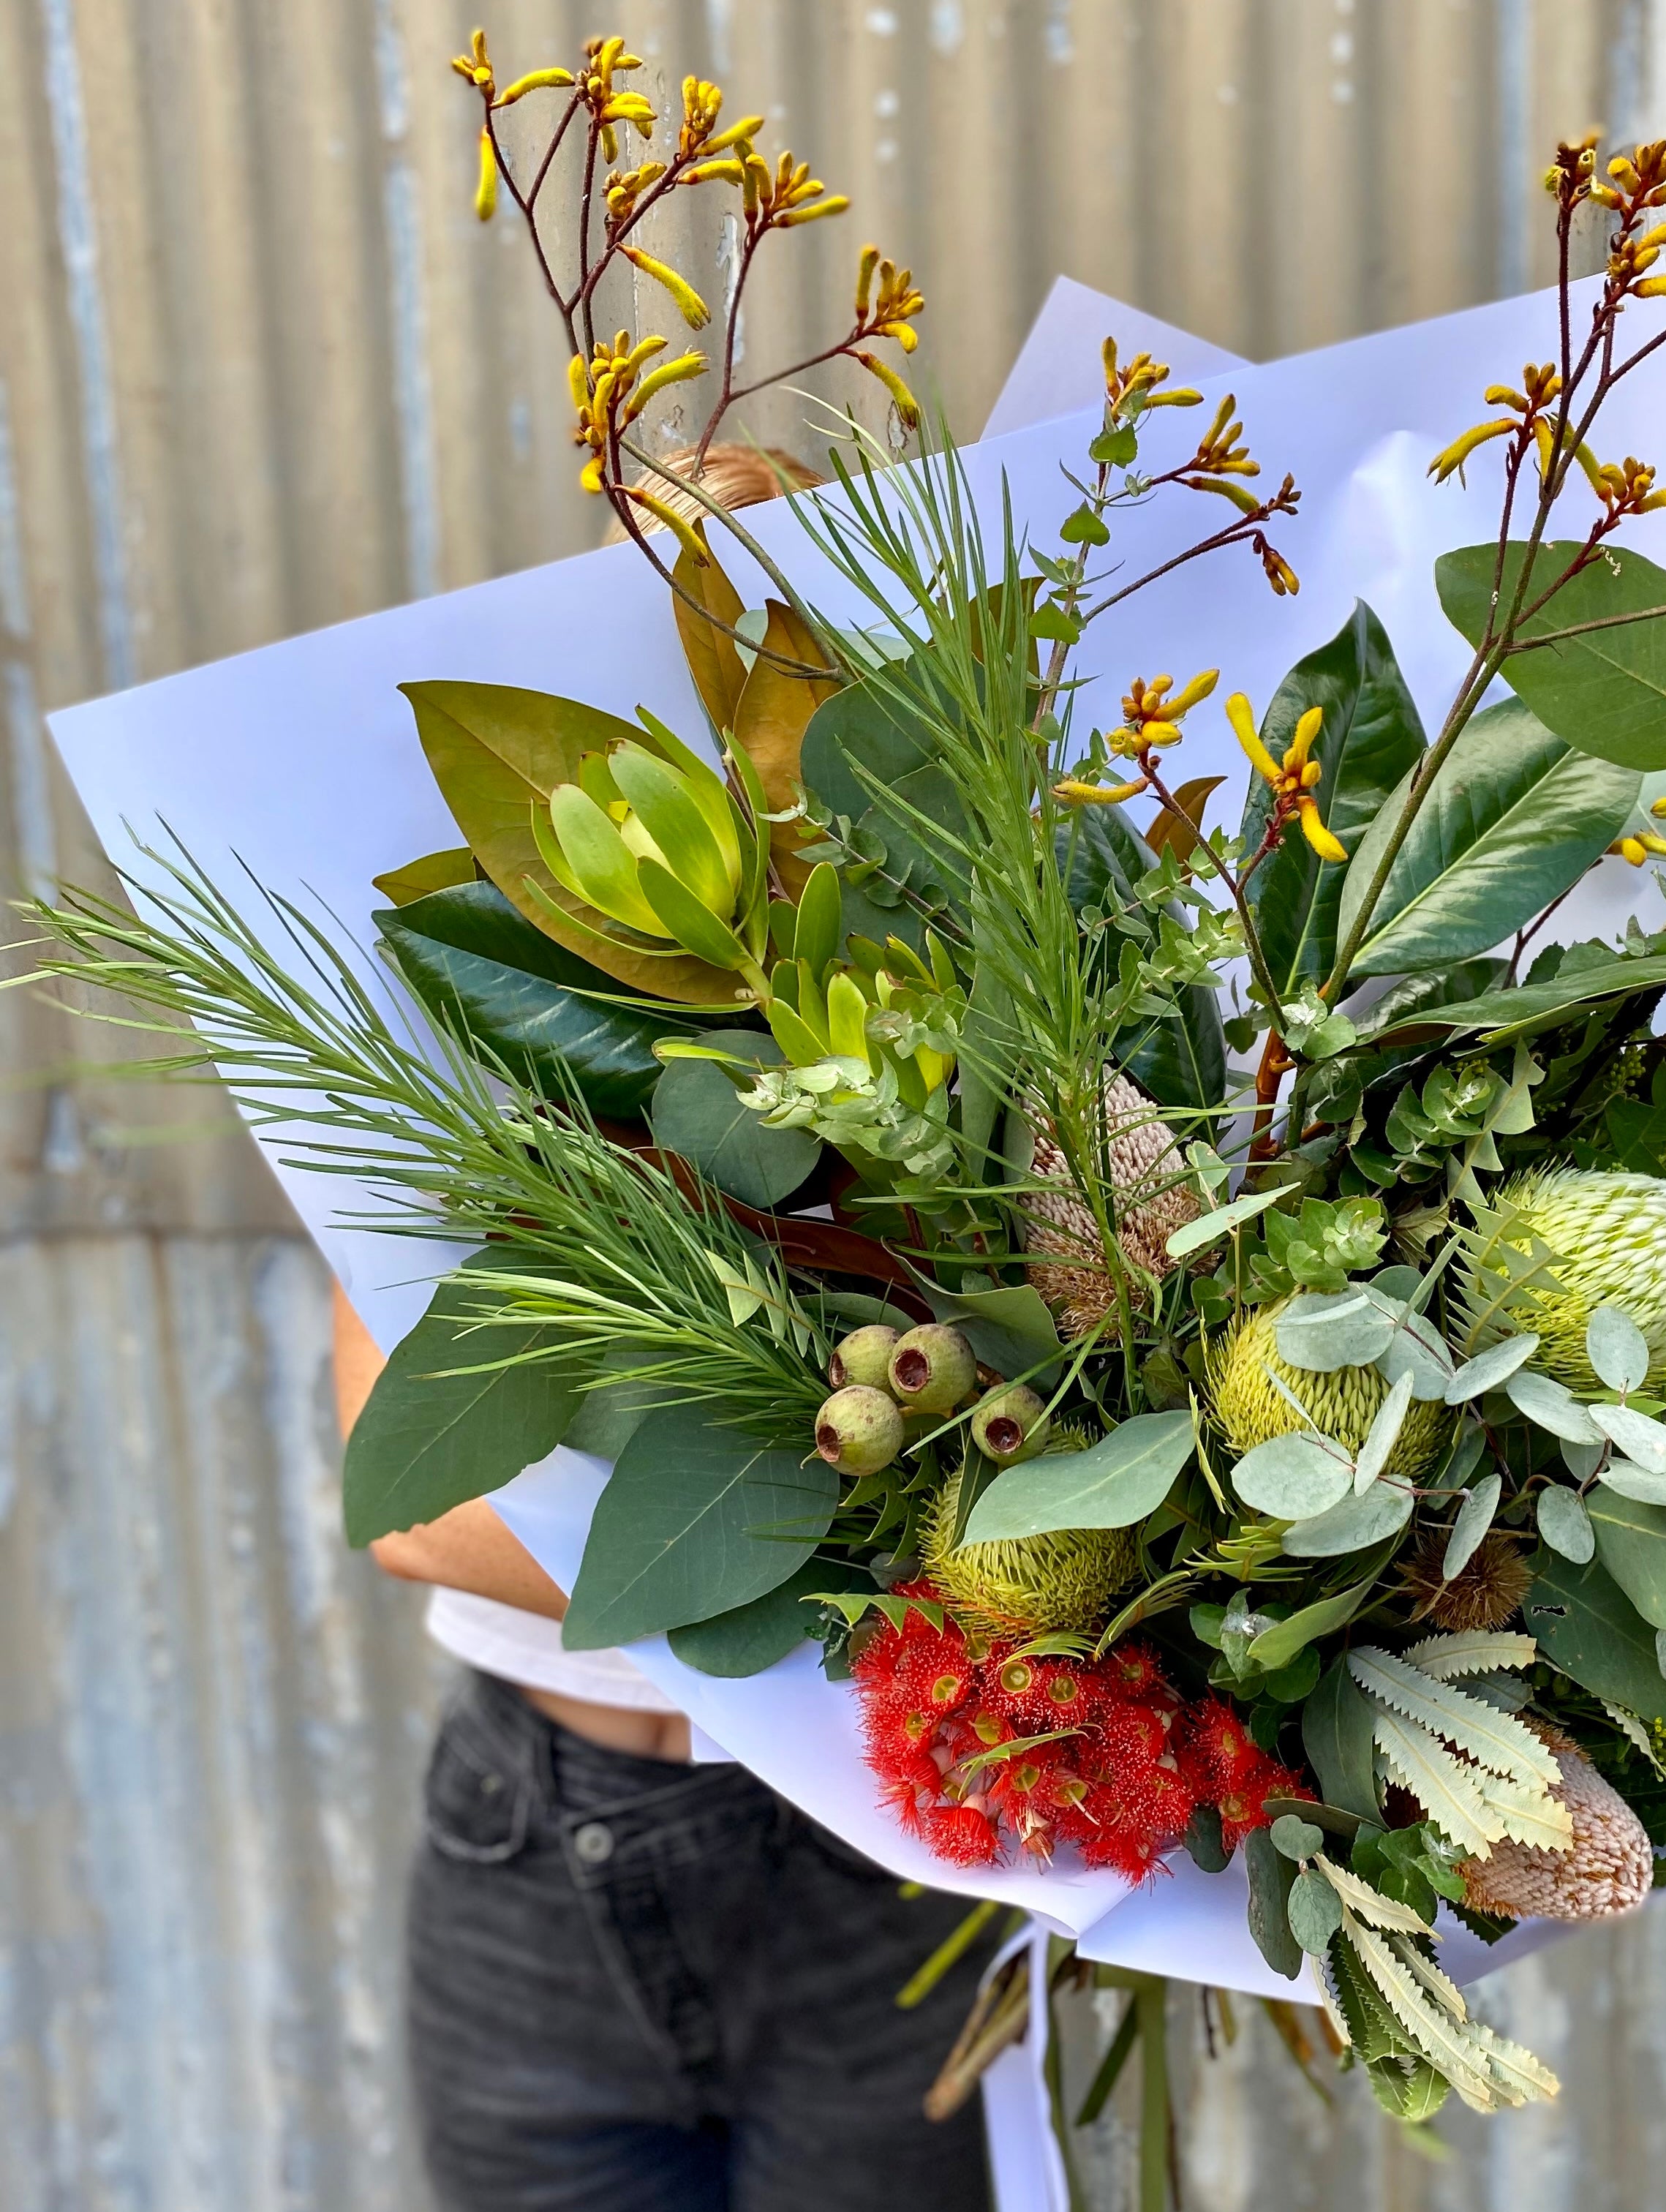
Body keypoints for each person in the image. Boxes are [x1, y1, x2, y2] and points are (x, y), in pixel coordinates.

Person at [343, 444, 990, 2212]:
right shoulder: (478, 1015)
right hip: (533, 1845)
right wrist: (893, 1578)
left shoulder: (988, 1042)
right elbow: (408, 1509)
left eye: (777, 665)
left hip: (876, 1855)